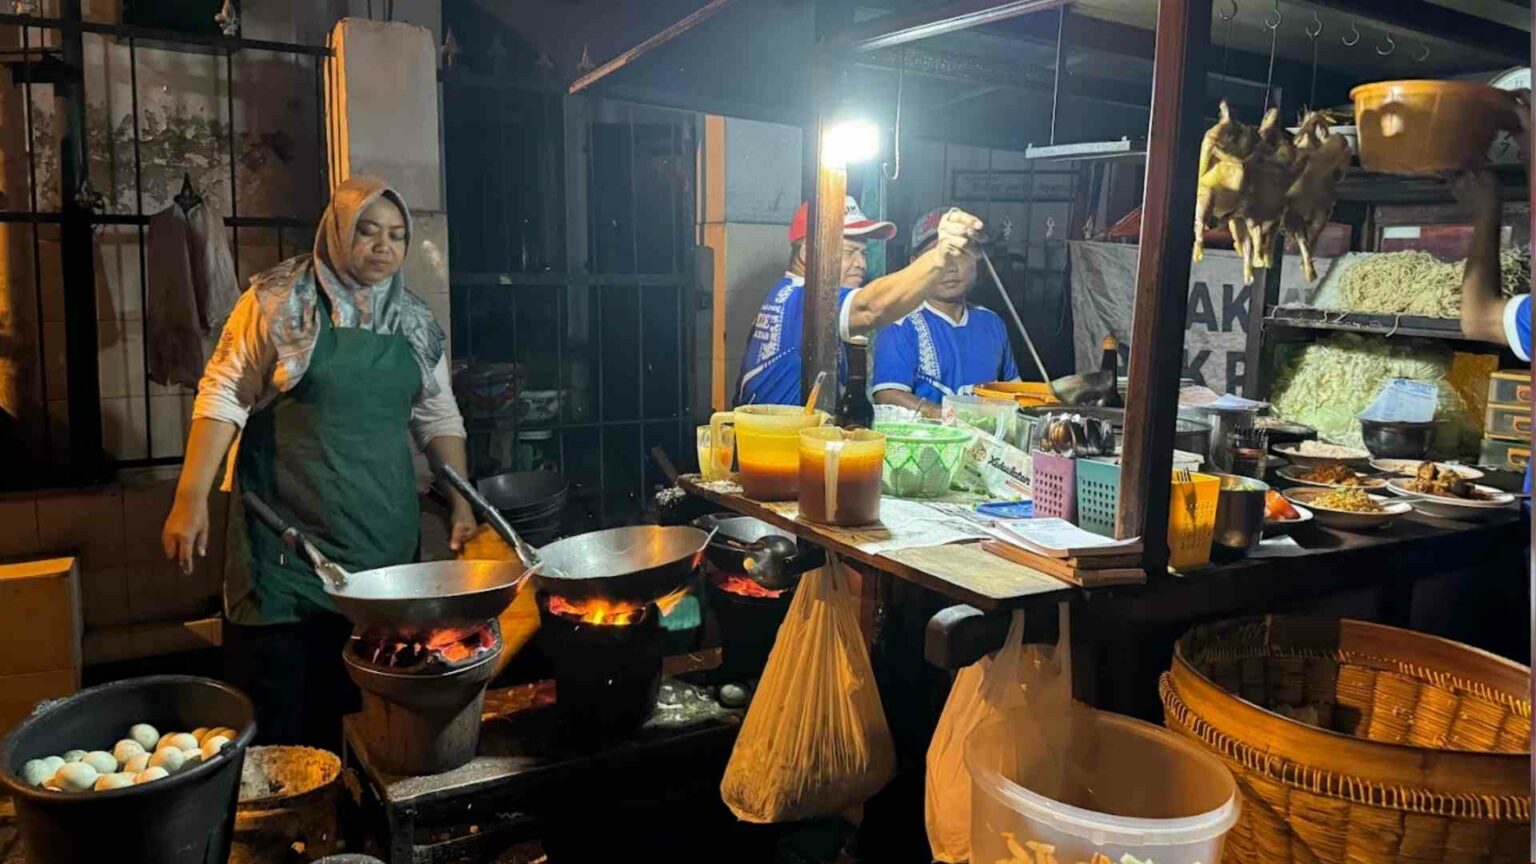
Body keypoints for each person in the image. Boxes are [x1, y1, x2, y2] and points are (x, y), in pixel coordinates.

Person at [160, 176, 477, 750]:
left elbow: (438, 415)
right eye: (368, 231)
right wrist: (190, 498)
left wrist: (461, 499)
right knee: (281, 719)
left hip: (380, 552)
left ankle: (356, 833)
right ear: (336, 231)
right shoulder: (278, 302)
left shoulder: (411, 319)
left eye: (397, 235)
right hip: (284, 554)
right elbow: (223, 393)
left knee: (367, 714)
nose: (384, 246)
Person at [735, 197, 984, 406]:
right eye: (848, 252)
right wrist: (939, 258)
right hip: (777, 457)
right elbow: (869, 308)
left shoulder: (787, 294)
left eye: (863, 253)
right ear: (806, 254)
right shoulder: (803, 299)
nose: (861, 264)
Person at [871, 207, 1021, 418]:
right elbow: (888, 395)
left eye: (959, 253)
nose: (949, 267)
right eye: (937, 256)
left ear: (977, 259)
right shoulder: (900, 323)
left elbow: (1014, 392)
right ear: (916, 264)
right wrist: (951, 418)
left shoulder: (992, 323)